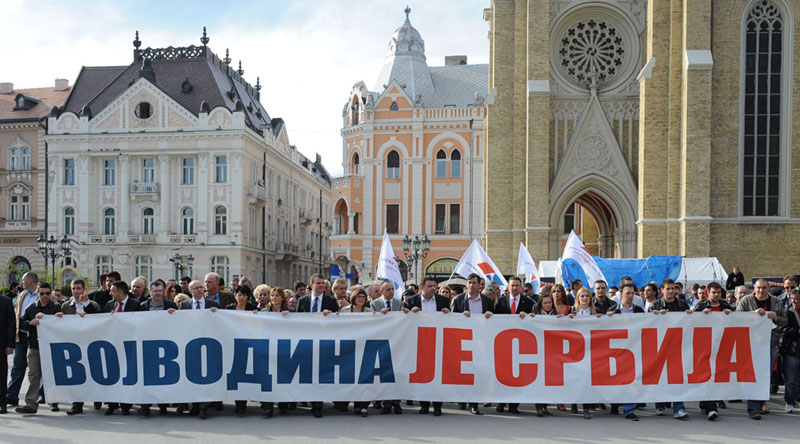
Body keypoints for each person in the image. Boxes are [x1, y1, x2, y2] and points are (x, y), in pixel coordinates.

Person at [737, 278, 787, 419]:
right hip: (751, 343)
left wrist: (776, 317)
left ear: (769, 289)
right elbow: (737, 318)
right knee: (752, 374)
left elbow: (785, 320)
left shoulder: (776, 302)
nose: (761, 290)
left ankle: (760, 403)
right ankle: (753, 408)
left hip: (770, 342)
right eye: (758, 288)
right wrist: (753, 314)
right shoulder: (746, 301)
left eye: (764, 288)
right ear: (754, 288)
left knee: (765, 374)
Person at [449, 273, 493, 414]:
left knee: (478, 371)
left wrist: (490, 316)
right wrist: (461, 317)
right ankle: (463, 398)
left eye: (474, 283)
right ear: (466, 284)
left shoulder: (486, 300)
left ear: (480, 284)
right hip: (463, 341)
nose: (472, 285)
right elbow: (451, 319)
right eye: (469, 282)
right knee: (463, 370)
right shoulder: (458, 299)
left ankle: (474, 403)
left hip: (480, 341)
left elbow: (495, 318)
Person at [405, 276, 449, 416]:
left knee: (438, 373)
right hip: (419, 341)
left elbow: (452, 319)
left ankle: (437, 406)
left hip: (438, 341)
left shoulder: (443, 301)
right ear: (422, 287)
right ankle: (424, 404)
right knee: (423, 374)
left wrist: (448, 314)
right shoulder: (412, 300)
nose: (433, 288)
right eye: (429, 286)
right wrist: (410, 313)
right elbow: (403, 318)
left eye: (434, 286)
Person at [295, 274, 338, 417]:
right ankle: (310, 401)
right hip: (306, 343)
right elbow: (295, 322)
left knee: (320, 374)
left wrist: (331, 316)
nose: (321, 286)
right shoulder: (302, 301)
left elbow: (338, 321)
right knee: (308, 373)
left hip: (324, 344)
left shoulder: (331, 301)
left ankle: (318, 406)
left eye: (323, 283)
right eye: (318, 283)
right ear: (311, 284)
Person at [648, 278, 690, 419]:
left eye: (673, 288)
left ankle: (679, 408)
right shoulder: (654, 305)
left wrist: (690, 316)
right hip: (659, 346)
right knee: (660, 377)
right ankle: (660, 404)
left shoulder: (682, 304)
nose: (671, 291)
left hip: (677, 346)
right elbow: (646, 325)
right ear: (662, 290)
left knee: (677, 377)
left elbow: (690, 323)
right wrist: (656, 317)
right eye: (668, 289)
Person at [15, 282, 60, 415]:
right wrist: (30, 322)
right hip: (35, 346)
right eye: (42, 293)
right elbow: (21, 323)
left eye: (47, 293)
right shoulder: (31, 308)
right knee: (33, 375)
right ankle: (31, 403)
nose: (45, 296)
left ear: (50, 293)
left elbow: (63, 325)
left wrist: (58, 318)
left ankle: (53, 401)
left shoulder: (56, 307)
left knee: (52, 375)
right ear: (38, 294)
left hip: (52, 347)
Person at [177, 280, 219, 419]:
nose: (200, 290)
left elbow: (219, 323)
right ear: (190, 291)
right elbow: (179, 324)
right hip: (191, 346)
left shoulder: (213, 305)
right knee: (193, 375)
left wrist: (217, 313)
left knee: (205, 376)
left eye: (201, 287)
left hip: (208, 344)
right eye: (197, 288)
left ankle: (203, 407)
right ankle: (195, 406)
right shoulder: (184, 305)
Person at [494, 276, 532, 414]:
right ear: (508, 287)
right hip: (504, 343)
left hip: (521, 343)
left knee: (517, 375)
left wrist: (527, 316)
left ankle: (514, 405)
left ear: (521, 287)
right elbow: (495, 319)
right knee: (503, 374)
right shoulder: (501, 301)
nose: (515, 288)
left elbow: (533, 320)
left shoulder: (528, 302)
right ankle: (501, 402)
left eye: (517, 285)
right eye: (512, 285)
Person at [607, 283, 644, 420]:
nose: (630, 296)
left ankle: (629, 409)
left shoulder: (639, 310)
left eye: (632, 293)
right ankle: (615, 404)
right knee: (616, 378)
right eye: (627, 293)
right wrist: (606, 317)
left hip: (633, 350)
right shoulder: (613, 310)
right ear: (621, 294)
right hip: (616, 350)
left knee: (630, 379)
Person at [370, 280, 404, 415]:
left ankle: (397, 402)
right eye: (388, 289)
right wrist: (380, 316)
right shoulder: (374, 304)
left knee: (397, 373)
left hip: (397, 341)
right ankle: (386, 403)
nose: (391, 292)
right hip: (381, 342)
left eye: (392, 289)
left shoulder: (399, 303)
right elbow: (371, 321)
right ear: (381, 291)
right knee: (384, 374)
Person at [7, 271, 39, 408]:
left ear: (30, 281)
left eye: (23, 280)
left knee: (38, 368)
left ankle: (44, 395)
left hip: (37, 337)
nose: (21, 282)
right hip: (21, 334)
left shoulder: (43, 294)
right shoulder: (22, 295)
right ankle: (11, 396)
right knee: (17, 366)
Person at [339, 289, 374, 417]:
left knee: (364, 376)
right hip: (349, 348)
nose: (361, 299)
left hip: (365, 347)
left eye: (363, 297)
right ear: (354, 297)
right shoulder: (345, 311)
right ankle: (351, 402)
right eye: (359, 296)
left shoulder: (370, 312)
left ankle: (363, 405)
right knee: (350, 376)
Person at [568, 287, 601, 419]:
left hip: (590, 350)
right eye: (582, 296)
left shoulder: (595, 312)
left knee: (587, 379)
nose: (585, 298)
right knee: (575, 377)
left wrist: (604, 318)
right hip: (575, 349)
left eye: (587, 296)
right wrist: (565, 319)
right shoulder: (572, 311)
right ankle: (574, 402)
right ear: (578, 298)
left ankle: (586, 407)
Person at [781, 289, 800, 413]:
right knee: (791, 378)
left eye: (797, 299)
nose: (795, 301)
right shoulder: (787, 311)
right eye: (792, 299)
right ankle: (789, 402)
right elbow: (783, 330)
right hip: (792, 349)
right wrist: (797, 331)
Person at [0, 284, 15, 414]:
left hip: (2, 345)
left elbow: (11, 324)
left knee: (2, 374)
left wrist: (10, 345)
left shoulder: (6, 302)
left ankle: (2, 403)